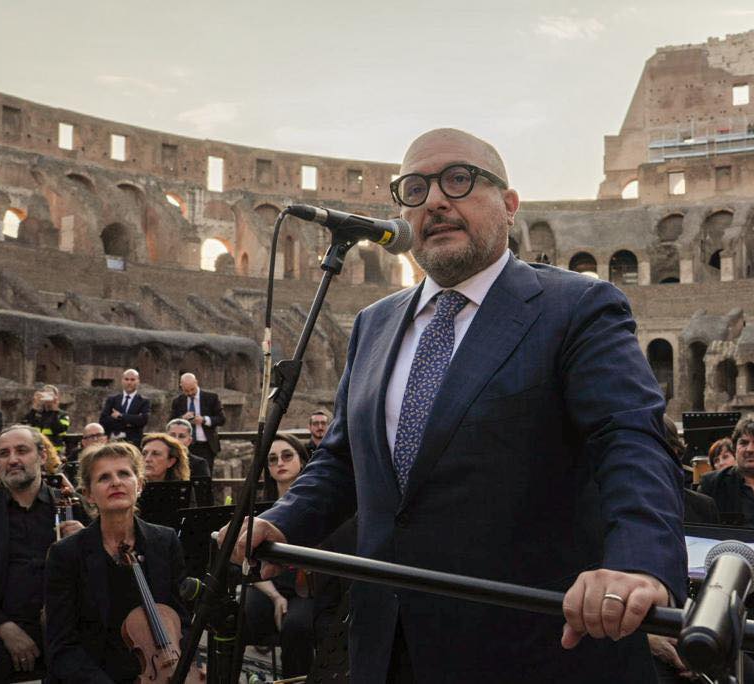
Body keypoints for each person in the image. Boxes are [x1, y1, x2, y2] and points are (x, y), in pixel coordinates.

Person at [225, 128, 685, 683]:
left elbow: (628, 439)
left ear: (509, 205)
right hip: (388, 643)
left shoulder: (575, 306)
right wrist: (282, 521)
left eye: (459, 180)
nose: (436, 200)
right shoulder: (374, 323)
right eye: (414, 188)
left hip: (530, 644)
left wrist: (636, 563)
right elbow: (343, 461)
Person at [44, 441, 189, 683]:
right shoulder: (65, 554)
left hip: (159, 669)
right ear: (88, 494)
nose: (116, 482)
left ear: (139, 485)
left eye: (124, 473)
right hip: (91, 673)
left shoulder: (165, 540)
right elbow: (62, 644)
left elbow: (181, 619)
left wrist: (183, 666)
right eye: (103, 478)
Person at [0, 425, 84, 681]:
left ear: (42, 456)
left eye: (22, 450)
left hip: (65, 625)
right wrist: (4, 628)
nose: (12, 459)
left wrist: (86, 543)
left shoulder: (72, 507)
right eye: (4, 454)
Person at [243, 434, 315, 678]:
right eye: (272, 459)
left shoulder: (316, 505)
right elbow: (250, 563)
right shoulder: (261, 507)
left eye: (287, 456)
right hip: (268, 583)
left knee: (297, 626)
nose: (280, 463)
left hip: (304, 585)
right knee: (241, 612)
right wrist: (274, 596)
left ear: (302, 461)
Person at [170, 373, 225, 473]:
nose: (190, 393)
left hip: (206, 446)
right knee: (184, 475)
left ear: (196, 383)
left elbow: (221, 419)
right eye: (186, 391)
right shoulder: (177, 401)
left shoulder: (211, 398)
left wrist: (204, 420)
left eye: (192, 389)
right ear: (181, 387)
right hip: (185, 446)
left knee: (206, 477)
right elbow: (171, 422)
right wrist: (182, 418)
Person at [98, 369, 151, 447]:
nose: (129, 382)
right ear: (122, 381)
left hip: (133, 444)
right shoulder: (112, 400)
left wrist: (120, 416)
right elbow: (103, 420)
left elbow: (143, 420)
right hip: (112, 442)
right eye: (126, 379)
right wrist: (130, 423)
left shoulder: (144, 401)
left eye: (132, 380)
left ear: (138, 381)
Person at [21, 385, 70, 453]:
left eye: (50, 394)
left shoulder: (62, 415)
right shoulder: (37, 413)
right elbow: (24, 426)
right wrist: (35, 406)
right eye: (45, 394)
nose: (47, 397)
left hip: (54, 452)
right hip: (37, 451)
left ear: (56, 397)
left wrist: (54, 409)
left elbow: (58, 429)